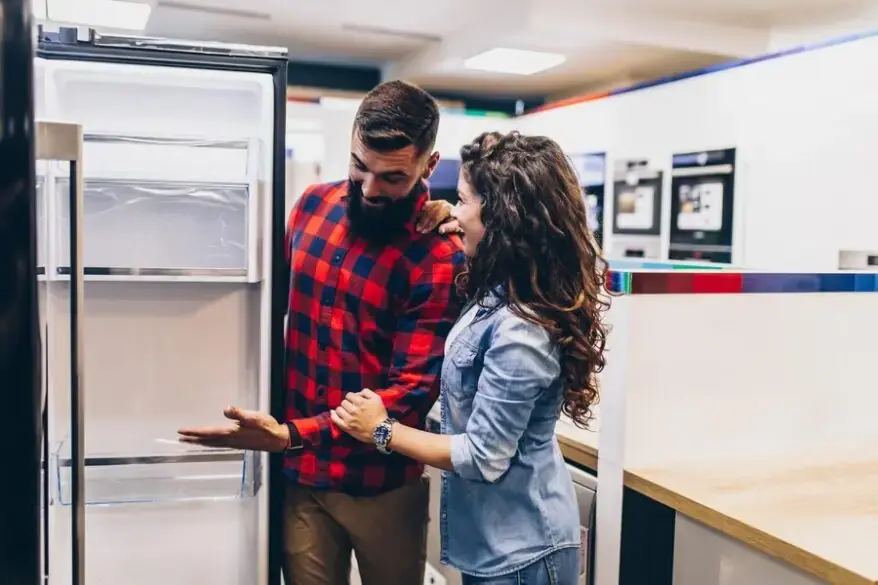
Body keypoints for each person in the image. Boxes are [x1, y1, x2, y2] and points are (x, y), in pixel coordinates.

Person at [178, 80, 466, 585]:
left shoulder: (437, 254)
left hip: (383, 488)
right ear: (352, 141)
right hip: (303, 480)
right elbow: (262, 311)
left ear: (429, 164)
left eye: (393, 177)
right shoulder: (312, 206)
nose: (371, 189)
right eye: (360, 167)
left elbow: (410, 391)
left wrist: (291, 434)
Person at [332, 131, 610, 585]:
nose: (454, 211)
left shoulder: (522, 330)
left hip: (523, 553)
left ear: (502, 216)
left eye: (462, 200)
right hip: (497, 544)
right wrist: (452, 219)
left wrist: (382, 430)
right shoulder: (502, 290)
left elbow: (483, 457)